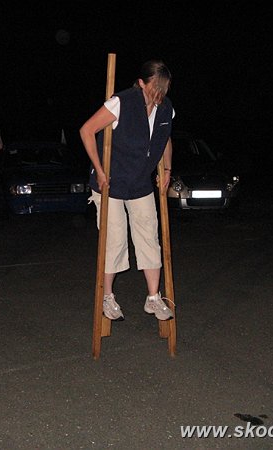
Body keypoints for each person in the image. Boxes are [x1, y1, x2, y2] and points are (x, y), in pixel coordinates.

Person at [79, 59, 175, 321]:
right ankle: (107, 296)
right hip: (110, 183)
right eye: (154, 88)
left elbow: (165, 139)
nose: (158, 94)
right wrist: (99, 170)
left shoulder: (166, 109)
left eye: (163, 88)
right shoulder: (121, 102)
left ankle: (153, 298)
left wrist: (167, 169)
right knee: (115, 239)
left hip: (140, 182)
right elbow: (87, 130)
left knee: (149, 237)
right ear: (141, 83)